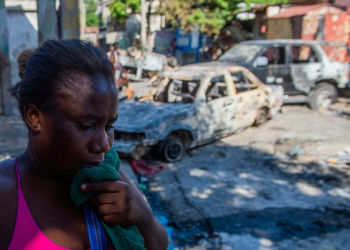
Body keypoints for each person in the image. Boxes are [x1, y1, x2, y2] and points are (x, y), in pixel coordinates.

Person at [0, 39, 168, 249]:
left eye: (108, 126)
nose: (104, 144)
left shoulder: (106, 176)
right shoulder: (5, 196)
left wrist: (143, 218)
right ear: (35, 117)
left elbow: (160, 244)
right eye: (87, 125)